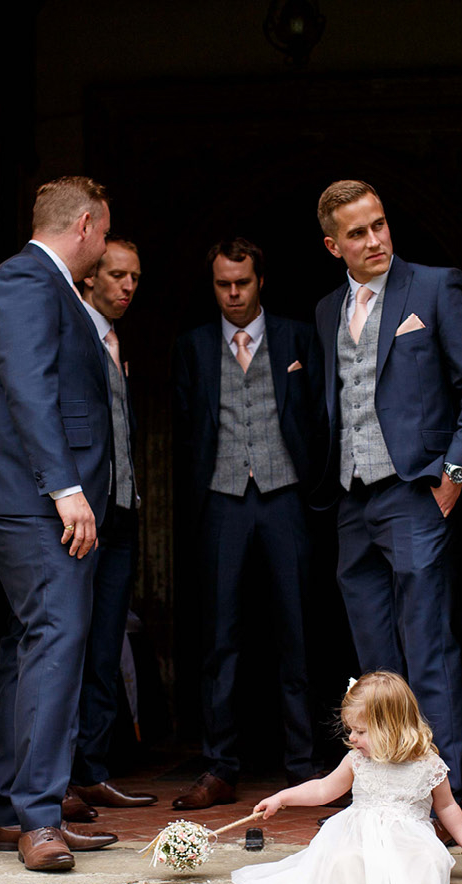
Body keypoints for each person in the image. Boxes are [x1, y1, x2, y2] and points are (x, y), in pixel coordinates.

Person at [312, 180, 462, 803]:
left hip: (416, 491)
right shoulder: (325, 313)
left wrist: (456, 475)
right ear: (333, 245)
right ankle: (387, 788)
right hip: (351, 498)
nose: (375, 240)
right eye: (358, 233)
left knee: (429, 644)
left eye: (380, 224)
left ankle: (443, 788)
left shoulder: (435, 286)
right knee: (374, 658)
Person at [0, 176, 120, 872]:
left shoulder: (36, 283)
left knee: (29, 648)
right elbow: (29, 388)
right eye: (106, 233)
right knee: (55, 639)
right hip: (34, 500)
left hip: (29, 500)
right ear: (84, 225)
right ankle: (39, 819)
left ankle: (15, 813)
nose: (106, 245)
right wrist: (66, 488)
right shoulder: (28, 281)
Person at [170, 238, 324, 809]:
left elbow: (318, 419)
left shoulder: (298, 338)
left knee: (298, 635)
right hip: (222, 501)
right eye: (222, 284)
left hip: (287, 498)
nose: (233, 294)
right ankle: (219, 767)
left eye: (242, 283)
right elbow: (186, 434)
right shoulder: (191, 347)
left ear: (261, 282)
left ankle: (303, 766)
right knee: (221, 639)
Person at [231, 671, 462, 884]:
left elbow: (448, 807)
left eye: (361, 732)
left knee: (428, 862)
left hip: (408, 839)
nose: (352, 738)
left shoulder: (427, 763)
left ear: (392, 727)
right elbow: (324, 788)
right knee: (348, 861)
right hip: (359, 834)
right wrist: (282, 798)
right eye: (351, 730)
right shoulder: (357, 760)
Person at [69, 236, 158, 812]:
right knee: (71, 646)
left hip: (121, 512)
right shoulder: (74, 332)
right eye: (118, 275)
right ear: (90, 278)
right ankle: (63, 777)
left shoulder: (115, 338)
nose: (128, 287)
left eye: (135, 277)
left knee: (105, 648)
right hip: (83, 513)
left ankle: (94, 770)